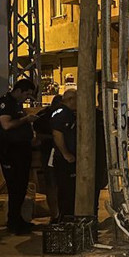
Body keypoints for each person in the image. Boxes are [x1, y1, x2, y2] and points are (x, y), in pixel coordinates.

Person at [0, 79, 40, 234]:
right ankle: (13, 222)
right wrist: (26, 119)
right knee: (15, 186)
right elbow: (6, 125)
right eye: (26, 94)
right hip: (10, 150)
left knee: (21, 186)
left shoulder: (16, 104)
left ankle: (17, 219)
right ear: (19, 90)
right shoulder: (5, 103)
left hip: (21, 149)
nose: (27, 98)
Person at [33, 95, 63, 220]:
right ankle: (55, 214)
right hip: (50, 152)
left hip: (56, 152)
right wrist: (54, 138)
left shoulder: (46, 115)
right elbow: (38, 136)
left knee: (57, 184)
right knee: (52, 184)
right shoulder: (44, 116)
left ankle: (59, 214)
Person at [51, 89, 78, 218]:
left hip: (67, 157)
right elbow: (57, 134)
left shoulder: (68, 113)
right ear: (71, 99)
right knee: (66, 190)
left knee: (69, 190)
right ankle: (65, 218)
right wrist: (65, 153)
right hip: (64, 160)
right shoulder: (62, 114)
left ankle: (68, 216)